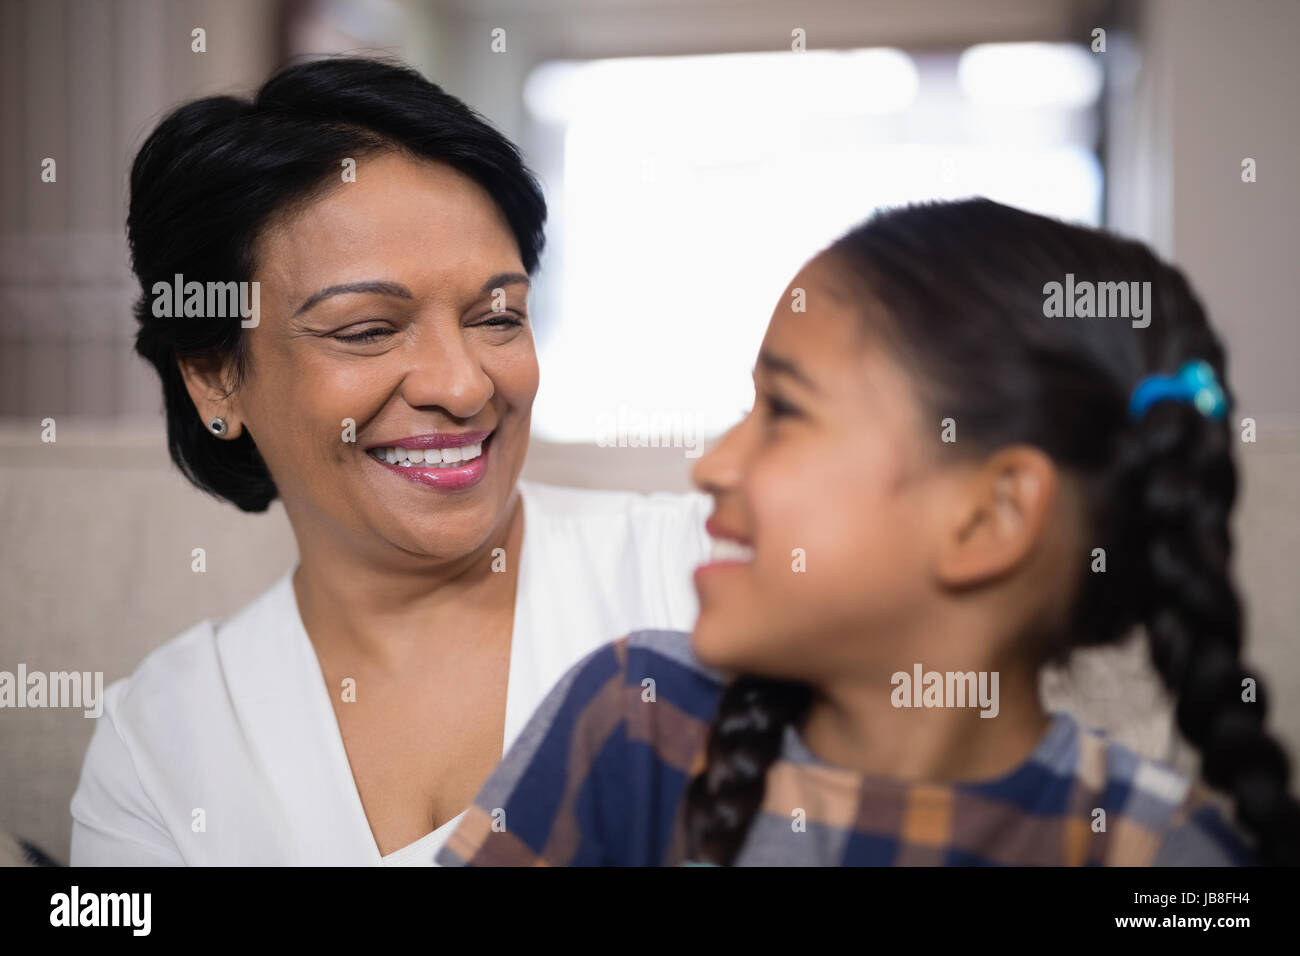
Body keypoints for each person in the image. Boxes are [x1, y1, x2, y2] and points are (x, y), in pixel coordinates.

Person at [437, 198, 1300, 866]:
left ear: (988, 517)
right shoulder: (631, 722)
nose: (713, 466)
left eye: (782, 411)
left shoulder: (1153, 852)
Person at [70, 56, 708, 866]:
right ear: (214, 374)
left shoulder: (696, 574)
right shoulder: (159, 745)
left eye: (498, 316)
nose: (463, 384)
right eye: (368, 329)